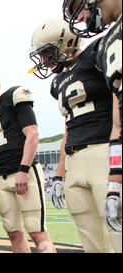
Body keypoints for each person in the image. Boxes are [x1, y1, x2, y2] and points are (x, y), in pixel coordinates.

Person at [30, 18, 119, 252]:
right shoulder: (58, 82)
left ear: (67, 42)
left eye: (48, 52)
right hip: (74, 160)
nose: (45, 60)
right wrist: (59, 175)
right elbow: (68, 128)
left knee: (116, 230)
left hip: (104, 150)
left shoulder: (95, 54)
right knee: (89, 236)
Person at [0, 69, 56, 253]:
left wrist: (24, 170)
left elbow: (32, 133)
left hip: (25, 172)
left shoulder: (14, 97)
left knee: (36, 231)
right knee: (13, 232)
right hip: (2, 176)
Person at [62, 0, 122, 234]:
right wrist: (115, 179)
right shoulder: (109, 40)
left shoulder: (97, 50)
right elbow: (117, 121)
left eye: (80, 7)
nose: (80, 18)